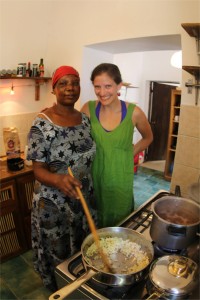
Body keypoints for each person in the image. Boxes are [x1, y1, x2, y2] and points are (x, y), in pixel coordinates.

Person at [27, 66, 97, 292]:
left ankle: (80, 287)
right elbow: (37, 170)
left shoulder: (85, 120)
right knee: (58, 251)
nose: (70, 88)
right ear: (54, 88)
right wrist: (58, 180)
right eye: (63, 84)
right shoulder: (42, 123)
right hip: (53, 204)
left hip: (82, 198)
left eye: (74, 83)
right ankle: (61, 291)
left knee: (81, 247)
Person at [81, 63, 153, 228]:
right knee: (96, 220)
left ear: (119, 85)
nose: (102, 92)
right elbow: (78, 139)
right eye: (97, 86)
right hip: (95, 175)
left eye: (108, 86)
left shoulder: (134, 113)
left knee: (120, 222)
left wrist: (129, 153)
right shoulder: (88, 109)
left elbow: (148, 138)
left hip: (120, 177)